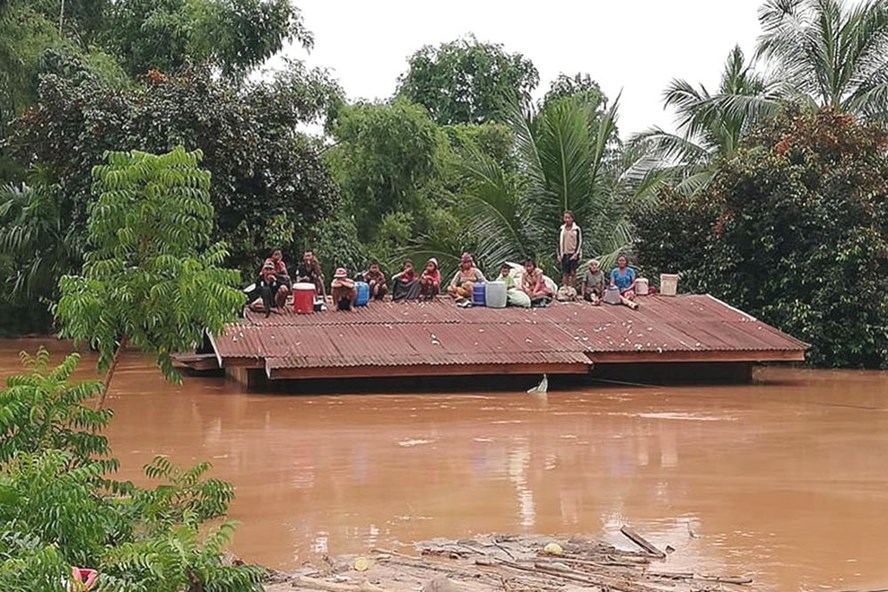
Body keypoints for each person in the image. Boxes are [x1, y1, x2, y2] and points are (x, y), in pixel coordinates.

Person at [558, 211, 583, 290]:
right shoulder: (562, 229)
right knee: (565, 273)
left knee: (573, 272)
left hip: (573, 253)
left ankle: (573, 289)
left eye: (568, 218)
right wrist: (559, 254)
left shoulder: (576, 229)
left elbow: (579, 242)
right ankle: (565, 289)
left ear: (572, 218)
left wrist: (576, 254)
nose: (567, 220)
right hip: (564, 253)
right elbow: (558, 242)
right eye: (565, 218)